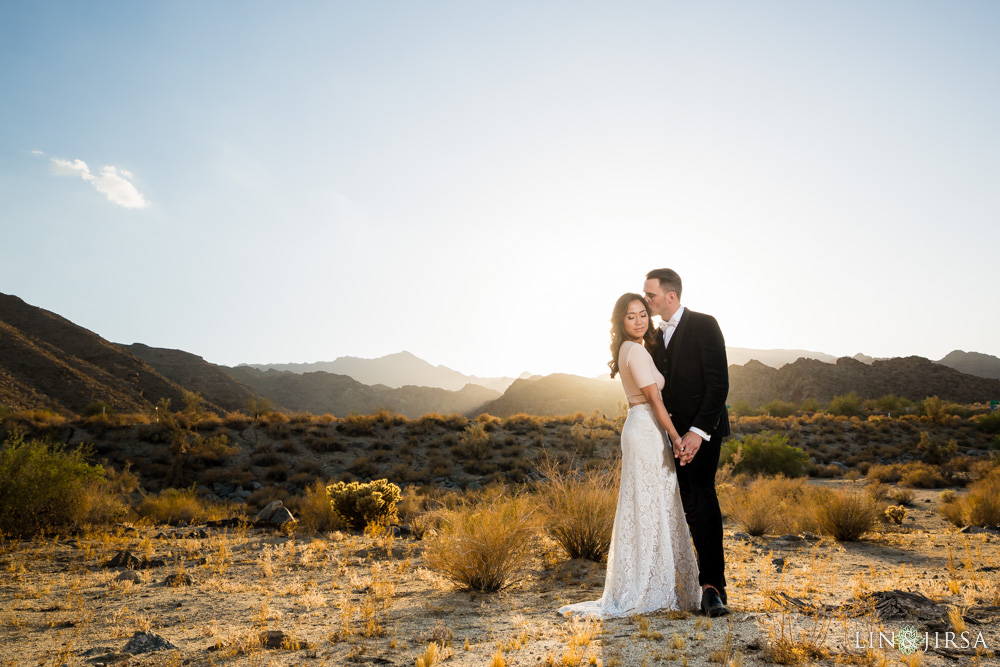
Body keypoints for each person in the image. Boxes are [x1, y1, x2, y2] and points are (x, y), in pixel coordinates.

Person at [558, 293, 701, 619]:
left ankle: (653, 582)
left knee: (649, 502)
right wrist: (677, 437)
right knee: (652, 502)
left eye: (642, 315)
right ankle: (651, 588)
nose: (638, 321)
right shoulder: (634, 350)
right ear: (620, 322)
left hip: (641, 427)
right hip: (646, 428)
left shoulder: (628, 349)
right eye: (630, 316)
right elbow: (655, 400)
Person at [643, 268, 731, 617]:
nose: (647, 300)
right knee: (683, 505)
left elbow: (718, 384)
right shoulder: (651, 336)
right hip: (668, 436)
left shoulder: (704, 324)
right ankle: (678, 583)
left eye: (650, 295)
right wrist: (672, 435)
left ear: (671, 296)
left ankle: (712, 589)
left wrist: (697, 433)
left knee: (702, 497)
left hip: (703, 432)